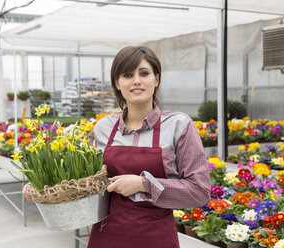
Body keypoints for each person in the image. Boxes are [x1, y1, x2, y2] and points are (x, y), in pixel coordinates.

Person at [87, 46, 211, 248]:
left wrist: (143, 184)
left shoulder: (178, 125)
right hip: (106, 236)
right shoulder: (103, 128)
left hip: (157, 238)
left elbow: (199, 191)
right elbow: (81, 180)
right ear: (117, 83)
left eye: (144, 73)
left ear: (156, 79)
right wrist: (41, 190)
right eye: (128, 75)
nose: (137, 80)